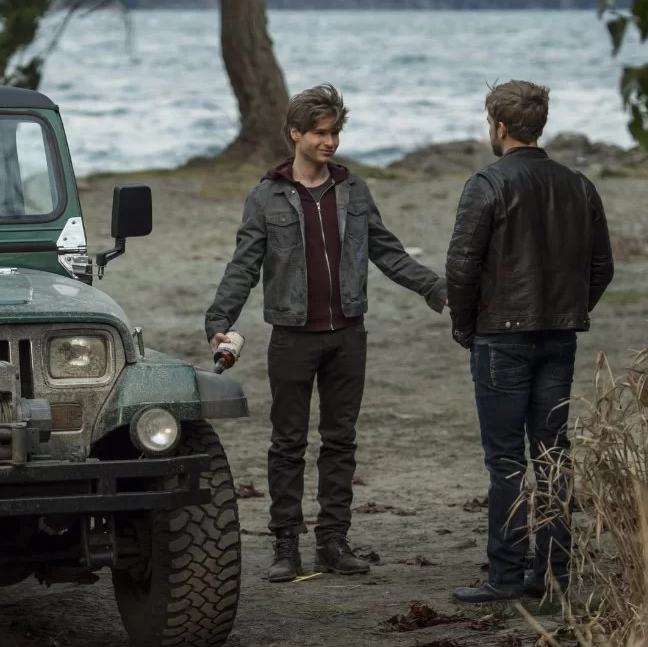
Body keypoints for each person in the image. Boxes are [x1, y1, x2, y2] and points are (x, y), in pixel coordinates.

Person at [205, 83, 447, 582]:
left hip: (348, 335)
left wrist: (437, 289)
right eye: (320, 132)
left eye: (335, 132)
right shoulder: (266, 196)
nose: (330, 142)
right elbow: (244, 265)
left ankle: (333, 542)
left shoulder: (354, 190)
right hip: (292, 337)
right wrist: (219, 320)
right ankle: (285, 546)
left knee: (340, 442)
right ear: (295, 133)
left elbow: (388, 252)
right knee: (287, 443)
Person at [445, 80, 615, 604]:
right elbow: (602, 267)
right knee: (553, 456)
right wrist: (570, 310)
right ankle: (554, 571)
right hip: (558, 336)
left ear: (499, 127)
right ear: (539, 125)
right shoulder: (578, 185)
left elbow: (461, 266)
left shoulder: (486, 184)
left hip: (501, 337)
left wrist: (466, 326)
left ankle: (506, 574)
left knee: (505, 461)